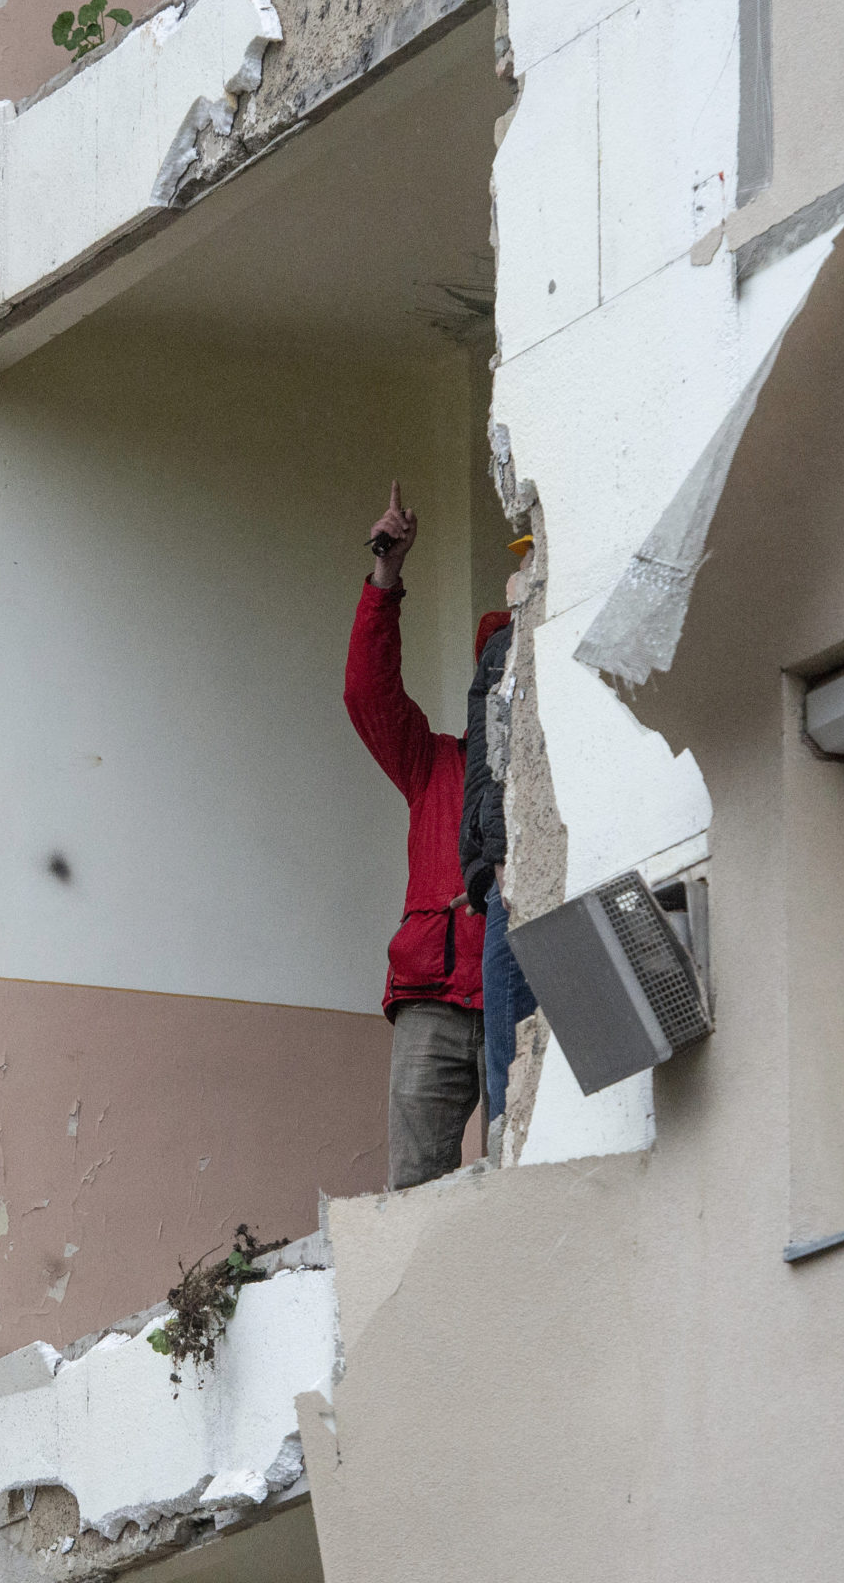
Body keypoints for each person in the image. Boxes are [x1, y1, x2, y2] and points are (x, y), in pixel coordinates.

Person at [345, 482, 509, 1188]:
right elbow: (368, 694)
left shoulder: (555, 774)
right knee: (414, 1188)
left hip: (514, 984)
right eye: (499, 675)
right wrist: (386, 576)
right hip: (433, 994)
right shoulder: (437, 764)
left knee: (525, 1172)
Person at [462, 537, 537, 1153]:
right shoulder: (500, 647)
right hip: (505, 874)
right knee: (510, 1064)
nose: (521, 571)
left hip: (542, 860)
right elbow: (494, 759)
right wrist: (493, 864)